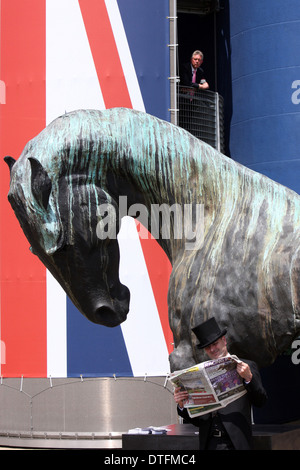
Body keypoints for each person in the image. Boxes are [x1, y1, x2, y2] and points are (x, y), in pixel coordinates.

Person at [174, 317, 267, 450]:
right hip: (210, 444)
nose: (212, 349)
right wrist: (182, 406)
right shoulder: (200, 373)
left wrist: (248, 378)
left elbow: (261, 401)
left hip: (236, 444)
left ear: (224, 341)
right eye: (207, 347)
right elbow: (198, 421)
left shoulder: (246, 366)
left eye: (215, 344)